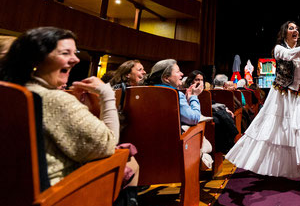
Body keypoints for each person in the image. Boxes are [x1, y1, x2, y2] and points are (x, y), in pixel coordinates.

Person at [0, 27, 119, 186]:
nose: (76, 59)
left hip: (12, 195)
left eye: (74, 53)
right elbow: (109, 144)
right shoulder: (54, 99)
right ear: (36, 59)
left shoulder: (11, 91)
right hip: (56, 198)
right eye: (65, 53)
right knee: (126, 157)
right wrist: (106, 93)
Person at [226, 21, 300, 183]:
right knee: (277, 130)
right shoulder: (279, 49)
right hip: (283, 96)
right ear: (284, 32)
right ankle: (267, 163)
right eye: (291, 28)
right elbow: (290, 55)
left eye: (297, 28)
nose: (295, 30)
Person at [144, 59, 203, 126]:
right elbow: (193, 118)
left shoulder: (144, 91)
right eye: (178, 72)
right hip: (169, 135)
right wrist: (193, 96)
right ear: (166, 78)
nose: (182, 74)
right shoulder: (175, 95)